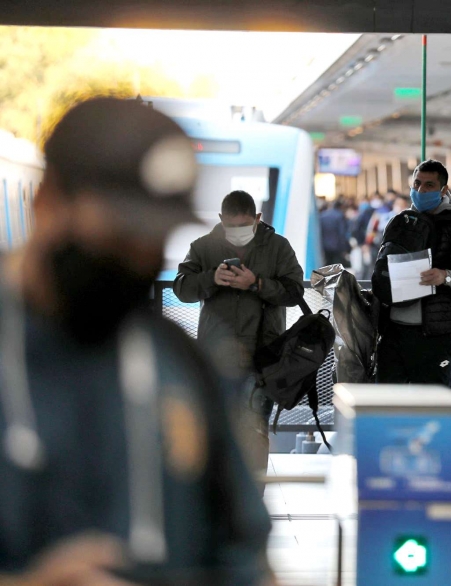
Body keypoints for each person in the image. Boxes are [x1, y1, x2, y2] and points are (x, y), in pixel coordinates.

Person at [0, 98, 272, 584]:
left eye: (151, 237)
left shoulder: (187, 367)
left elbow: (243, 555)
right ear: (47, 202)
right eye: (119, 233)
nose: (136, 256)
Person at [174, 189, 305, 472]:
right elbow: (182, 288)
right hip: (215, 355)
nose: (237, 232)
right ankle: (222, 505)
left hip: (263, 354)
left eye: (244, 226)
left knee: (255, 430)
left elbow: (295, 292)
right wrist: (211, 278)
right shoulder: (203, 246)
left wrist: (257, 284)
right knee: (213, 430)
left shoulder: (278, 247)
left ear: (257, 219)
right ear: (221, 219)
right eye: (231, 226)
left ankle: (251, 502)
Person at [374, 160, 451, 386]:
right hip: (393, 330)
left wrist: (446, 276)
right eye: (417, 183)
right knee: (386, 402)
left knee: (432, 404)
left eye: (429, 185)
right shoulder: (399, 221)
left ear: (444, 190)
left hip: (434, 334)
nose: (421, 190)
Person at [319, 199, 350, 266]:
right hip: (337, 246)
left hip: (325, 245)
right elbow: (342, 233)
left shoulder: (322, 215)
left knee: (327, 265)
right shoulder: (339, 215)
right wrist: (345, 248)